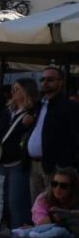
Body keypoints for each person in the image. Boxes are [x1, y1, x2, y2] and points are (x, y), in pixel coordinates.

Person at [0, 78, 39, 238]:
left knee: (17, 202)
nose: (14, 92)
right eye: (13, 89)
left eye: (18, 89)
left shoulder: (32, 113)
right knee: (7, 201)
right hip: (4, 160)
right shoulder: (9, 111)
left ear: (26, 91)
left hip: (18, 162)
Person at [23, 67, 79, 201]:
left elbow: (74, 138)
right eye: (42, 79)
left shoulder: (69, 107)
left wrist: (62, 163)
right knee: (37, 206)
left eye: (50, 79)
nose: (45, 82)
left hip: (53, 166)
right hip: (34, 164)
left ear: (61, 82)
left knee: (53, 204)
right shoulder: (38, 105)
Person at [9, 167, 79, 238]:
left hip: (70, 233)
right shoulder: (44, 198)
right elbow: (39, 222)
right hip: (48, 227)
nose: (58, 188)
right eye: (54, 184)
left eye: (63, 186)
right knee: (18, 235)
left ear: (72, 188)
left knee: (59, 232)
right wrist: (53, 218)